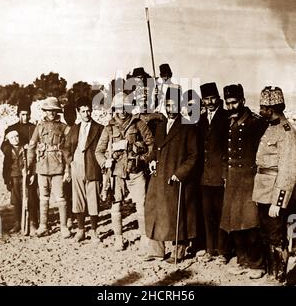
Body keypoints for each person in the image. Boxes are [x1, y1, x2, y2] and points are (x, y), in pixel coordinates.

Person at [144, 86, 198, 263]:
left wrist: (180, 173)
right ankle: (156, 251)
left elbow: (193, 155)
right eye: (167, 105)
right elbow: (155, 150)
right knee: (153, 211)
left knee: (177, 214)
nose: (170, 109)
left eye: (174, 105)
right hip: (158, 177)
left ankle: (178, 251)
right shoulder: (160, 126)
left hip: (174, 179)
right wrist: (151, 160)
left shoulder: (188, 127)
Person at [96, 92, 153, 253]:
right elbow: (98, 151)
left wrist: (142, 157)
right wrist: (104, 162)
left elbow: (151, 144)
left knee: (141, 205)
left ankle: (144, 238)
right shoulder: (109, 127)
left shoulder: (138, 123)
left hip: (135, 170)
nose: (121, 111)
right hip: (117, 172)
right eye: (118, 107)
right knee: (116, 206)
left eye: (124, 107)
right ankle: (119, 238)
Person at [220, 84, 268, 279]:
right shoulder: (228, 121)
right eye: (228, 103)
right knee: (234, 221)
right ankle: (242, 260)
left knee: (251, 222)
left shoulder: (256, 123)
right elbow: (224, 152)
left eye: (234, 102)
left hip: (250, 178)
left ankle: (257, 263)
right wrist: (225, 174)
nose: (231, 106)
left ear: (243, 101)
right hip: (232, 179)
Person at [252, 86, 296, 282]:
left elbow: (288, 171)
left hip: (274, 193)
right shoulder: (270, 127)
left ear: (272, 108)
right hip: (262, 190)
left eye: (263, 107)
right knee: (266, 233)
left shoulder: (286, 132)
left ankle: (279, 276)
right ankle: (272, 273)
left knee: (276, 236)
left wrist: (278, 202)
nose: (260, 110)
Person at [27, 97, 71, 239]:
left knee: (60, 197)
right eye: (48, 110)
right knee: (44, 198)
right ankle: (43, 226)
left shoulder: (64, 127)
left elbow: (68, 149)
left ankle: (64, 227)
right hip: (42, 167)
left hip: (58, 167)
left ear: (57, 112)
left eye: (54, 111)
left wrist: (68, 168)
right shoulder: (39, 127)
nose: (51, 113)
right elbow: (32, 147)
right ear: (44, 111)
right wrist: (29, 166)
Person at [63, 97, 104, 242]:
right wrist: (71, 162)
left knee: (93, 200)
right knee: (78, 199)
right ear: (78, 112)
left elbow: (104, 148)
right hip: (77, 166)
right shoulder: (74, 129)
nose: (86, 114)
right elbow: (66, 148)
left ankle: (94, 231)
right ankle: (81, 230)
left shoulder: (99, 128)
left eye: (88, 111)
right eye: (83, 111)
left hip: (93, 167)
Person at [198, 82, 229, 263]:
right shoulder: (201, 120)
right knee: (207, 213)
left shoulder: (225, 118)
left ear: (218, 99)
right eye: (206, 99)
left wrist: (225, 173)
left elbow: (228, 148)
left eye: (212, 98)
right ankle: (210, 249)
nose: (209, 102)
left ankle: (223, 251)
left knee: (221, 213)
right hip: (204, 177)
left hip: (220, 176)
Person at [1, 100, 38, 235]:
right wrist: (11, 148)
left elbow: (38, 146)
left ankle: (33, 221)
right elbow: (3, 146)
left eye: (27, 114)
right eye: (22, 114)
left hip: (30, 167)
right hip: (15, 170)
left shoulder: (34, 128)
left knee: (32, 195)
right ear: (18, 114)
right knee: (16, 197)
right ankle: (18, 222)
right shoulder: (11, 129)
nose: (25, 117)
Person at [2, 130, 28, 234]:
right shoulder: (8, 151)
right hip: (14, 177)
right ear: (8, 140)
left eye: (17, 136)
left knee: (27, 198)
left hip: (25, 176)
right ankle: (17, 223)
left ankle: (30, 222)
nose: (15, 139)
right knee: (16, 201)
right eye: (12, 138)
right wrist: (7, 180)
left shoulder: (25, 148)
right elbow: (6, 167)